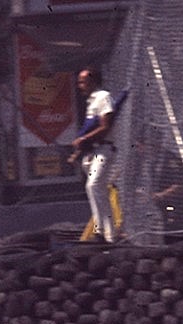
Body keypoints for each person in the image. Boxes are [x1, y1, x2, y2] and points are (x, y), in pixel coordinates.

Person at [72, 68, 118, 243]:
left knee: (94, 185)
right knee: (94, 189)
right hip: (92, 151)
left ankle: (105, 233)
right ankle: (105, 232)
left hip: (104, 149)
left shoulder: (103, 97)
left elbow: (106, 126)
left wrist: (84, 138)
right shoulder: (90, 102)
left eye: (83, 82)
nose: (80, 86)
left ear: (92, 82)